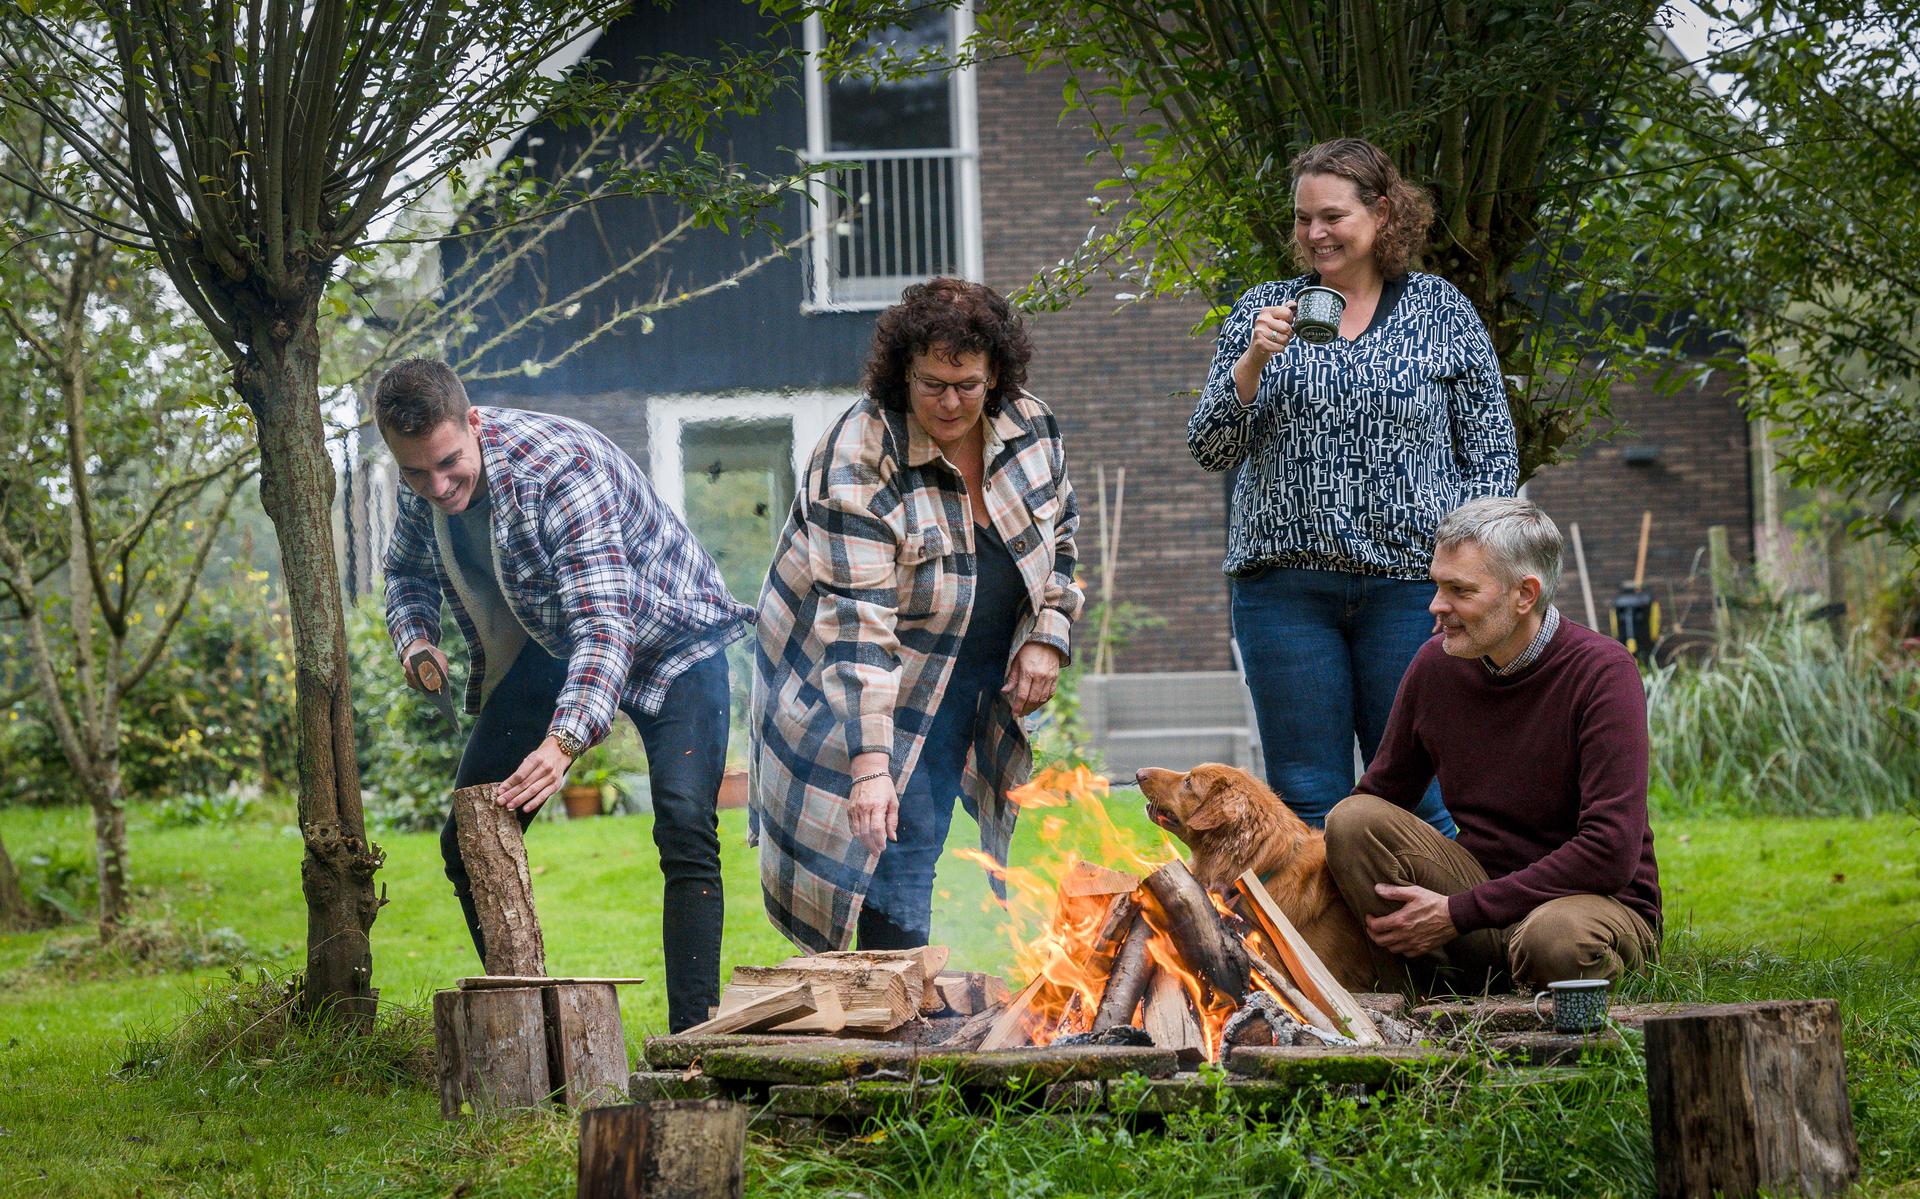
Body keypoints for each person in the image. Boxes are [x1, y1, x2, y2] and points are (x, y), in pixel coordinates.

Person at [376, 359, 752, 1032]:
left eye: (450, 464)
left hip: (673, 642)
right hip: (555, 643)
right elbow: (404, 569)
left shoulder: (560, 468)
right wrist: (416, 638)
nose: (437, 486)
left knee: (685, 821)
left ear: (474, 423)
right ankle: (524, 1031)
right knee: (471, 837)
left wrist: (563, 743)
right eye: (416, 473)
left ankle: (692, 1040)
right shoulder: (419, 481)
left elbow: (607, 628)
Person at [1187, 137, 1520, 835]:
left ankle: (1435, 942)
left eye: (1332, 216)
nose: (1314, 234)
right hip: (1285, 593)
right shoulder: (1265, 311)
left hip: (1410, 592)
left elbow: (1492, 455)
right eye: (1304, 219)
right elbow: (1211, 448)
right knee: (1306, 799)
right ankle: (1323, 948)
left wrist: (1464, 572)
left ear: (1381, 213)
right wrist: (1252, 361)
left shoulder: (1440, 311)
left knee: (1420, 795)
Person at [750, 278, 1084, 952]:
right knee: (892, 845)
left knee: (920, 838)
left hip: (966, 674)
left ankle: (904, 1001)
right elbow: (858, 627)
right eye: (933, 384)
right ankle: (891, 1015)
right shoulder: (860, 455)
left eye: (968, 383)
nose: (952, 401)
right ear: (902, 373)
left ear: (995, 373)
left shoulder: (1030, 425)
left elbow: (1064, 539)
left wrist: (1047, 637)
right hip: (852, 684)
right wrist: (871, 764)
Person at [1325, 497, 1661, 990]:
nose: (1437, 607)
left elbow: (1609, 852)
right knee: (1353, 820)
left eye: (1459, 590)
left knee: (1555, 939)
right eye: (1438, 586)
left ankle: (1534, 977)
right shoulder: (1435, 665)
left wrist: (1458, 913)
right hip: (1478, 897)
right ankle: (1429, 986)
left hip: (1592, 905)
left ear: (1525, 594)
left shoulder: (1602, 673)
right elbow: (1380, 796)